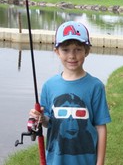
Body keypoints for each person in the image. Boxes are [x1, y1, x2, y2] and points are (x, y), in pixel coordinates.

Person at [29, 21, 111, 165]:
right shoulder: (49, 86)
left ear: (87, 51)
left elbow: (100, 126)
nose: (72, 56)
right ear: (57, 51)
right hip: (55, 160)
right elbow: (49, 123)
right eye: (65, 50)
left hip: (86, 160)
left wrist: (100, 163)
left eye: (78, 49)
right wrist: (41, 118)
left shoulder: (95, 86)